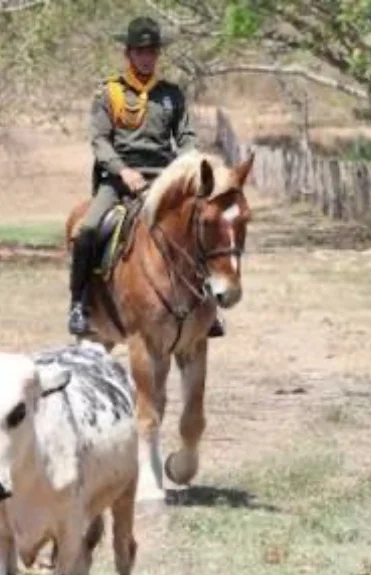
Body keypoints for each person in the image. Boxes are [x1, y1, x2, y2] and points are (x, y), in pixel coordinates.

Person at [68, 15, 226, 339]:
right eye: (140, 51)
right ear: (128, 53)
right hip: (118, 178)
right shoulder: (108, 94)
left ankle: (207, 307)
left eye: (152, 51)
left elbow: (185, 138)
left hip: (164, 178)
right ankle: (80, 305)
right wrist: (123, 171)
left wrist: (187, 165)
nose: (146, 57)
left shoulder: (171, 94)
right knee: (87, 231)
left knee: (202, 225)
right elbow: (100, 141)